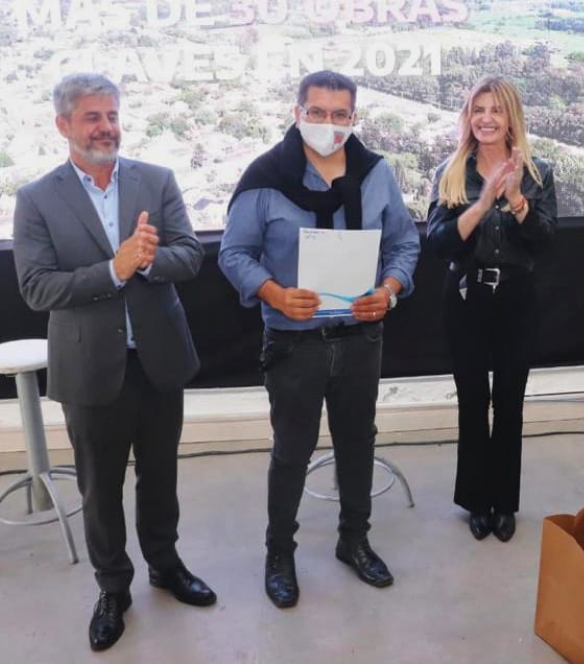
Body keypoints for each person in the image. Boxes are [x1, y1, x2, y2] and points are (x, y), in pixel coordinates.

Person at [12, 73, 215, 652]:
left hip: (158, 358)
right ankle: (112, 588)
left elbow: (190, 255)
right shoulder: (37, 198)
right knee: (99, 487)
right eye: (92, 118)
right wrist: (115, 269)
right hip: (89, 368)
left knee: (161, 474)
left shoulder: (156, 180)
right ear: (63, 126)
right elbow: (36, 288)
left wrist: (149, 263)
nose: (106, 127)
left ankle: (166, 565)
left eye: (112, 115)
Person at [218, 70, 420, 609]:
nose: (328, 125)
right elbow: (233, 253)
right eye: (317, 112)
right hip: (293, 343)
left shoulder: (376, 173)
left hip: (361, 337)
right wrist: (275, 294)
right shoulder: (264, 177)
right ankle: (278, 552)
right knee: (292, 452)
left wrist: (390, 289)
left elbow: (404, 242)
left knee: (358, 442)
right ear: (297, 112)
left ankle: (354, 540)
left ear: (353, 118)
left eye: (339, 115)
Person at [426, 76, 557, 543]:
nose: (486, 118)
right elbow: (438, 243)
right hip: (466, 297)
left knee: (509, 402)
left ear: (511, 118)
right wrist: (482, 204)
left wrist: (517, 200)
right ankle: (476, 502)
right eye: (477, 109)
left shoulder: (539, 171)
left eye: (495, 110)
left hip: (518, 299)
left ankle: (505, 502)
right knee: (473, 401)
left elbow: (545, 239)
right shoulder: (451, 171)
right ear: (468, 116)